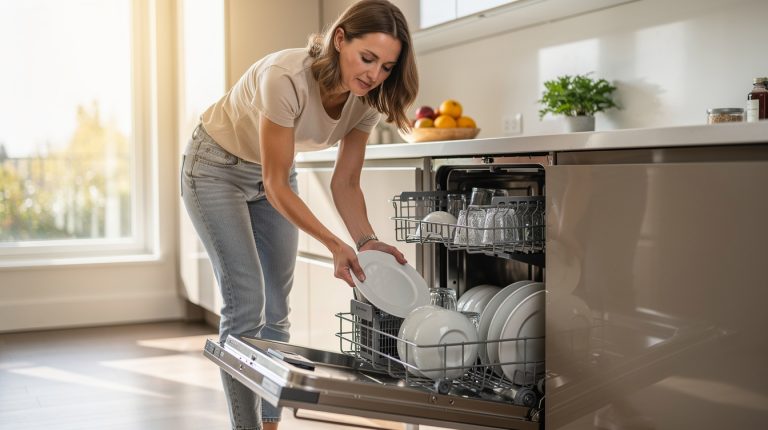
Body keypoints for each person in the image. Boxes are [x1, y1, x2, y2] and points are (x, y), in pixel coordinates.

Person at [180, 1, 418, 429]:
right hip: (216, 169)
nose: (374, 75)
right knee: (247, 303)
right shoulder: (286, 77)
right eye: (367, 59)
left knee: (277, 311)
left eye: (386, 67)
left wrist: (365, 241)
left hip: (272, 174)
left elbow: (344, 183)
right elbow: (274, 184)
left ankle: (270, 426)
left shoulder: (365, 101)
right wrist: (333, 244)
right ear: (340, 39)